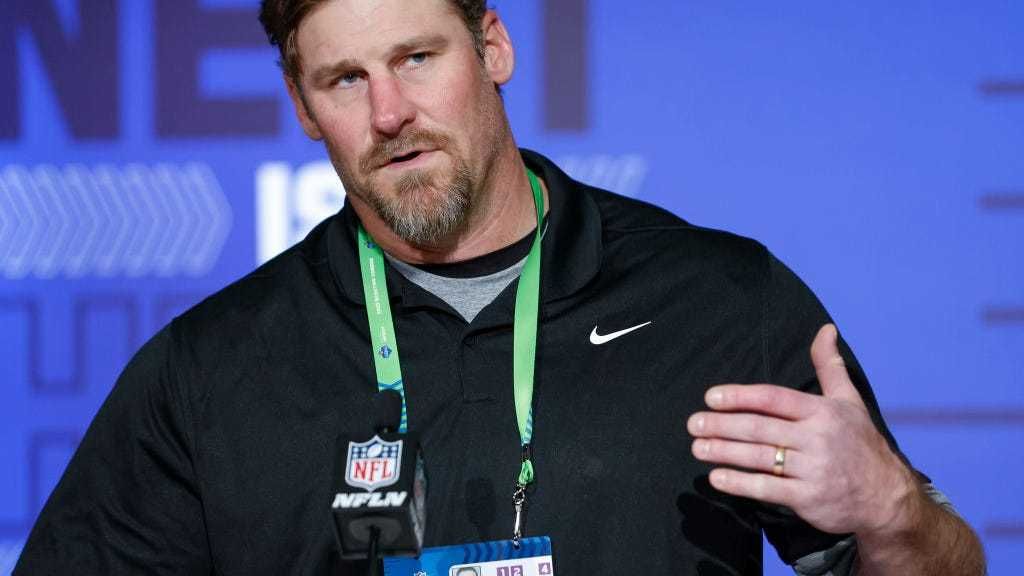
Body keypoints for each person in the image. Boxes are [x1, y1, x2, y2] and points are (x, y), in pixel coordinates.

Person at [16, 1, 985, 574]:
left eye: (416, 58)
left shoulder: (719, 300)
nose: (389, 112)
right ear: (303, 109)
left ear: (493, 48)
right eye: (344, 79)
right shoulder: (209, 371)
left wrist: (895, 513)